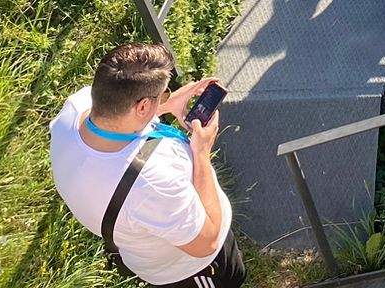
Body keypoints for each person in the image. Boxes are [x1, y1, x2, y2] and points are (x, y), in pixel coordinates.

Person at [49, 43, 245, 287]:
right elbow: (208, 243)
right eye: (163, 94)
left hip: (145, 254)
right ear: (142, 106)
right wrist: (202, 152)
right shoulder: (154, 181)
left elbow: (117, 115)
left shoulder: (74, 109)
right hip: (191, 269)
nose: (166, 97)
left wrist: (166, 104)